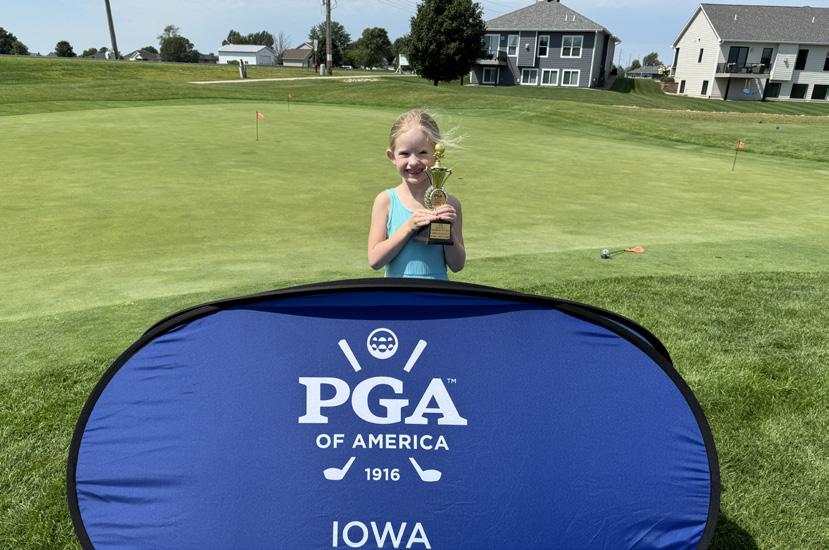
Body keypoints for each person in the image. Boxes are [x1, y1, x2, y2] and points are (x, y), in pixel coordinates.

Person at [368, 110, 465, 279]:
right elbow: (375, 261)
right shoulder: (386, 201)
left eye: (422, 153)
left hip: (436, 291)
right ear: (392, 156)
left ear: (436, 155)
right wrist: (409, 227)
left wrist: (446, 231)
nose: (413, 162)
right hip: (397, 291)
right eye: (404, 154)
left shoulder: (450, 204)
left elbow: (457, 265)